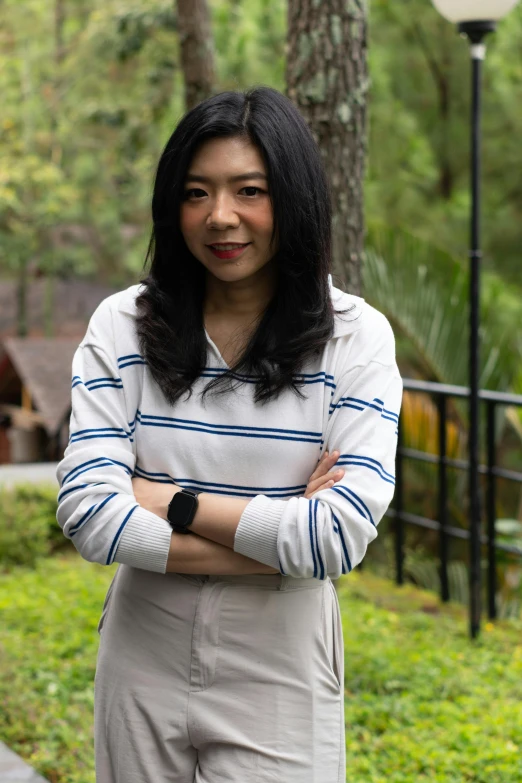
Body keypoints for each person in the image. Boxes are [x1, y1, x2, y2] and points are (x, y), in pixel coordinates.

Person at [56, 85, 402, 783]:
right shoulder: (121, 327)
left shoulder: (355, 337)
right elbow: (89, 513)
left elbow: (335, 537)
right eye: (195, 193)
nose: (220, 217)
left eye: (249, 190)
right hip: (142, 644)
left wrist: (167, 500)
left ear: (294, 198)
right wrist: (281, 544)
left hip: (278, 659)